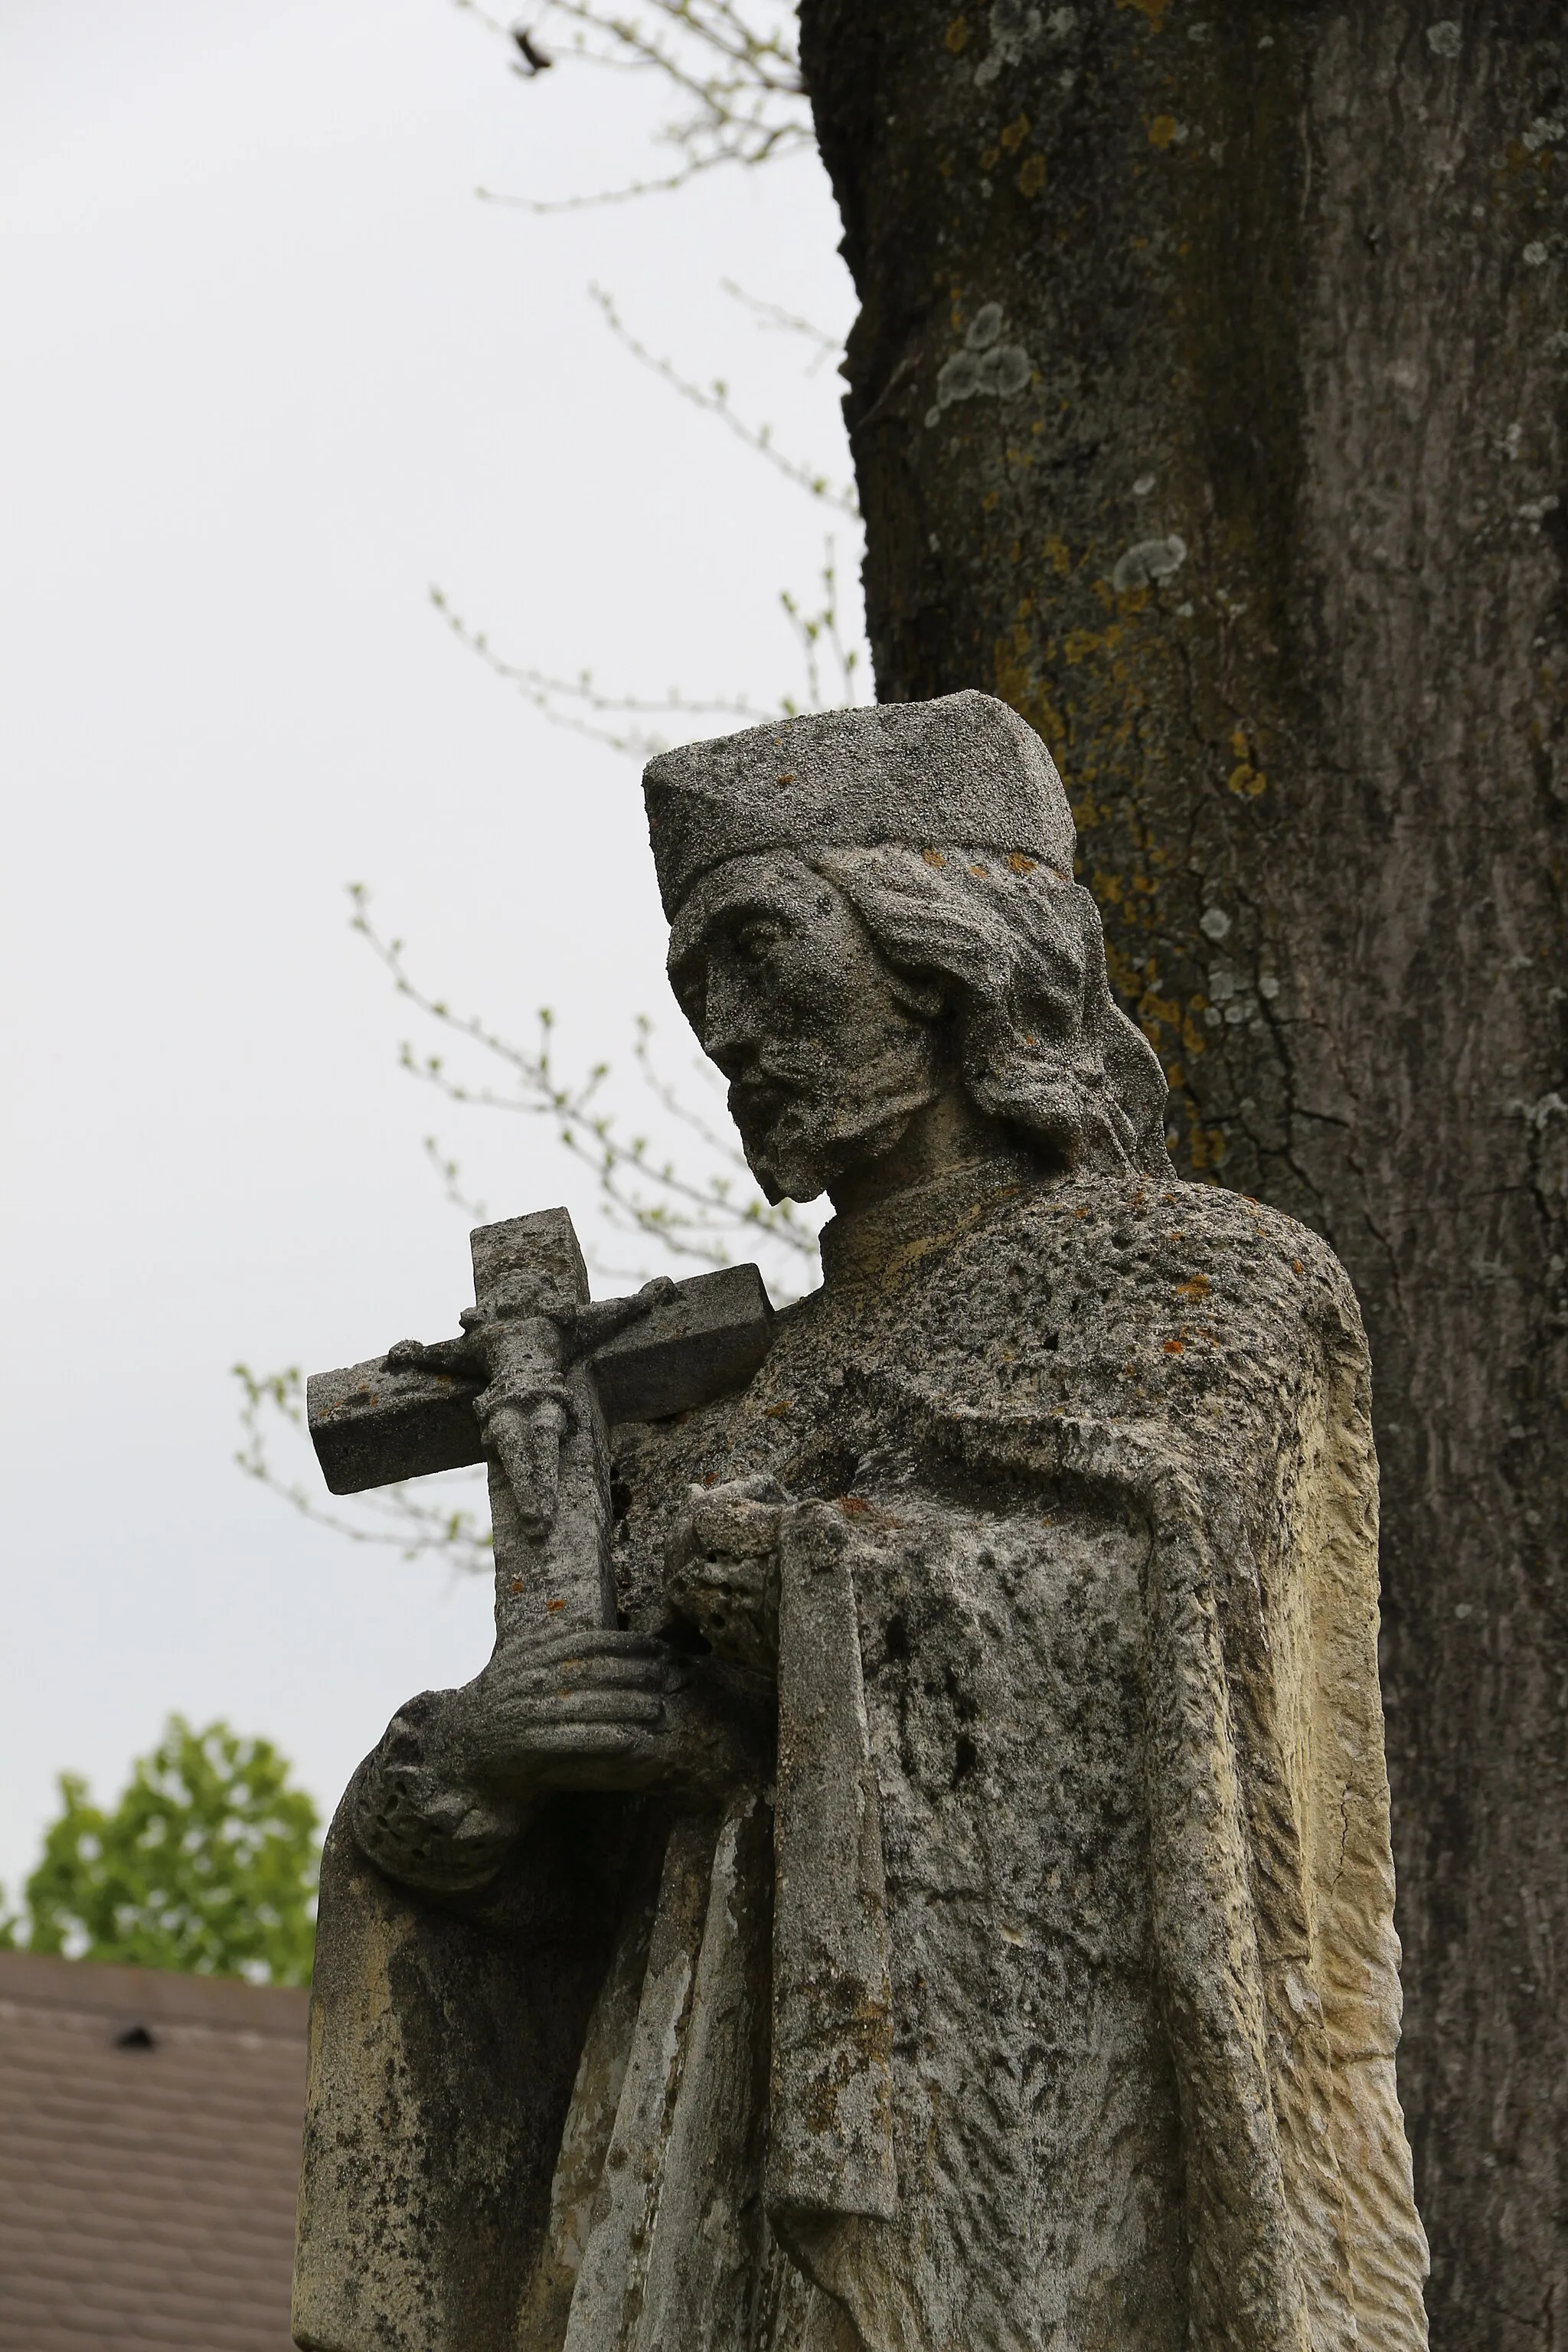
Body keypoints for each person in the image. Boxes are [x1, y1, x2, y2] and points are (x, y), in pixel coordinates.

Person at [295, 691, 1428, 2352]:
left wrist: (829, 1591)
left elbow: (1211, 1704)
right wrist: (471, 1770)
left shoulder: (1207, 1285)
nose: (727, 1028)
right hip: (681, 2140)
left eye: (760, 952)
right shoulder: (717, 1390)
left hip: (1035, 2150)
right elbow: (596, 1872)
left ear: (951, 943)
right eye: (694, 989)